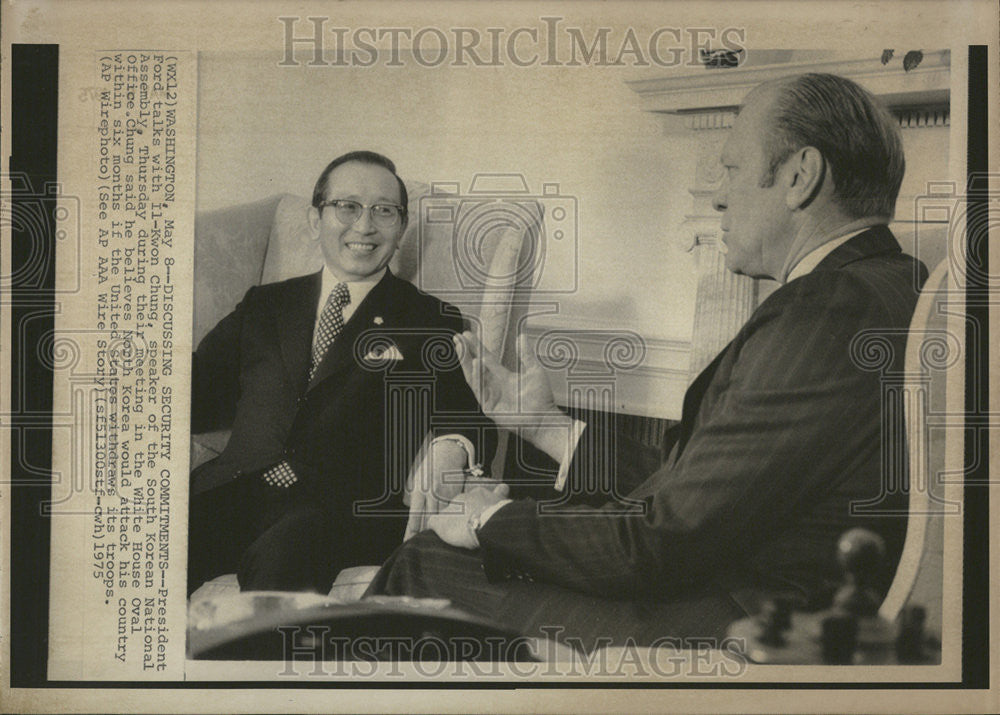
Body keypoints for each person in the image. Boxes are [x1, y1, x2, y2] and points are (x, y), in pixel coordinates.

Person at [371, 74, 928, 651]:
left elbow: (662, 544)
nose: (717, 195)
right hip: (761, 592)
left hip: (744, 625)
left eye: (732, 169)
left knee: (426, 562)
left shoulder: (826, 307)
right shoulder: (898, 283)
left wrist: (490, 522)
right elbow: (710, 485)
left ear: (799, 176)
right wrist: (548, 428)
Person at [188, 151, 493, 595]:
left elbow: (469, 416)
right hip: (231, 491)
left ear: (401, 228)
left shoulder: (429, 318)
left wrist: (450, 447)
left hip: (332, 513)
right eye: (347, 206)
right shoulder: (265, 304)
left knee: (280, 573)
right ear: (316, 220)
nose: (364, 226)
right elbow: (193, 392)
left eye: (383, 211)